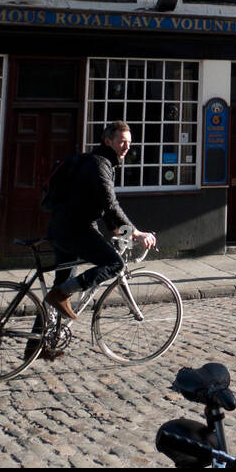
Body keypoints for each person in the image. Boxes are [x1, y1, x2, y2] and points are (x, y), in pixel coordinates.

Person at [44, 120, 156, 322]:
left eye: (129, 142)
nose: (127, 147)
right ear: (108, 141)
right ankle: (59, 295)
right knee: (115, 264)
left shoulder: (98, 162)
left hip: (62, 228)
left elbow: (101, 206)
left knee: (61, 287)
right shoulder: (99, 164)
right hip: (76, 229)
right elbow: (110, 204)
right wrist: (135, 233)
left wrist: (119, 233)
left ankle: (38, 344)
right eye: (122, 142)